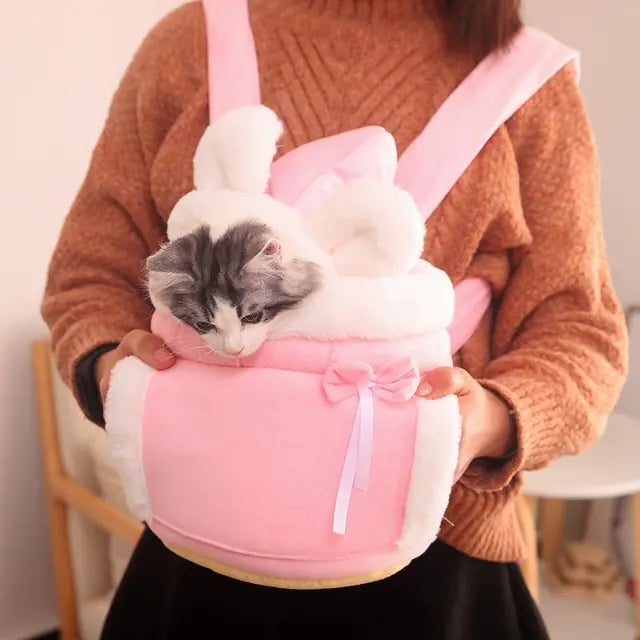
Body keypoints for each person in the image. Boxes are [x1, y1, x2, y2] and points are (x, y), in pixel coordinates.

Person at [41, 0, 628, 637]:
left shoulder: (526, 81)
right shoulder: (193, 41)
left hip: (439, 554)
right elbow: (89, 273)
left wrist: (489, 419)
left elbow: (581, 332)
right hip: (199, 540)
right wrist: (108, 367)